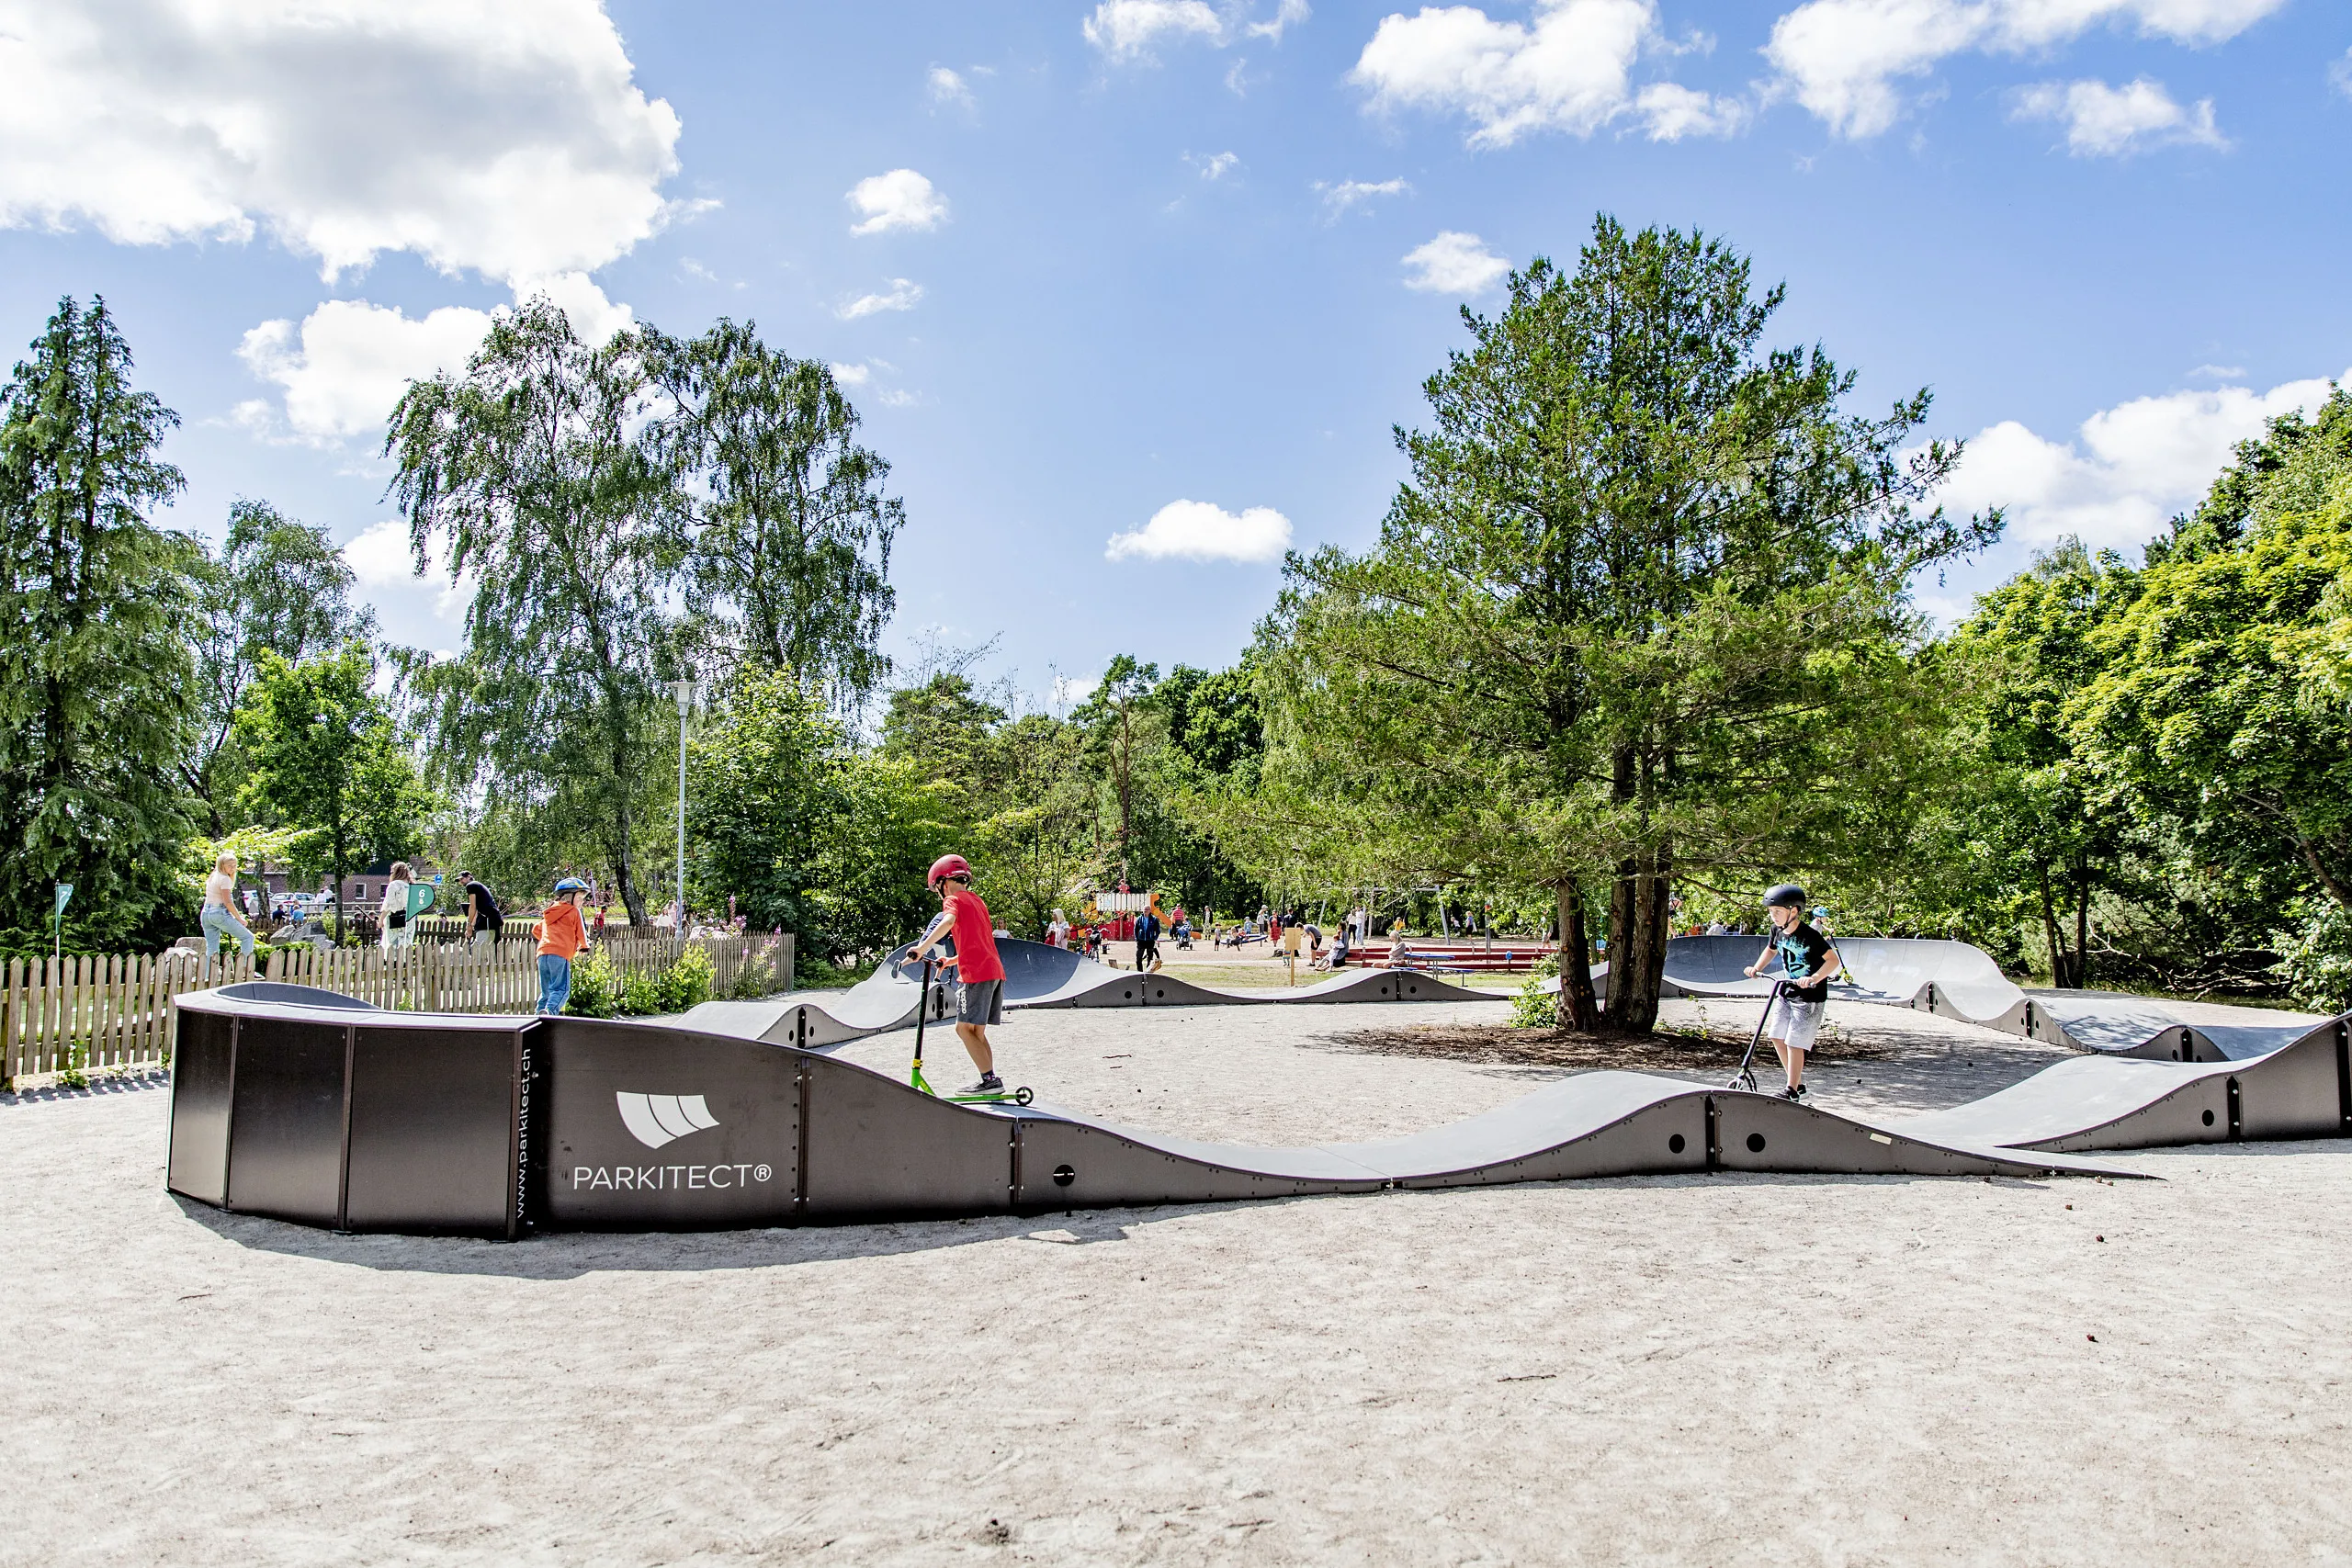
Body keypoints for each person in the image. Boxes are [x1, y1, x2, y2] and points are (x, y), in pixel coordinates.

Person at [907, 853, 1010, 1097]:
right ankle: (991, 1079)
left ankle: (989, 1081)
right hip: (994, 971)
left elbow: (948, 920)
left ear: (943, 882)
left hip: (975, 975)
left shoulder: (952, 900)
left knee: (963, 1029)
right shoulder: (977, 901)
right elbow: (980, 943)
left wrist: (922, 949)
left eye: (937, 889)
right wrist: (951, 960)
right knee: (976, 1032)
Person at [1743, 883, 1843, 1102]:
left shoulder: (1810, 936)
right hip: (1786, 990)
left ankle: (1792, 1089)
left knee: (1794, 1042)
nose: (1773, 916)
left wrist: (1814, 978)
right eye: (1771, 912)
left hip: (1809, 996)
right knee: (1776, 1036)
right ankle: (1796, 1082)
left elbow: (1832, 961)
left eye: (1778, 912)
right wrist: (1757, 968)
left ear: (1794, 911)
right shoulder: (1776, 931)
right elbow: (1771, 950)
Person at [537, 878, 591, 1015]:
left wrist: (549, 941)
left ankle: (538, 1015)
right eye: (580, 898)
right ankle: (550, 1012)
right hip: (560, 955)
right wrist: (584, 947)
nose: (582, 902)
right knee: (561, 990)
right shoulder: (573, 912)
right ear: (570, 897)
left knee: (547, 991)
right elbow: (581, 932)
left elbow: (536, 930)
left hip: (542, 954)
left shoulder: (550, 912)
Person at [200, 852, 256, 964]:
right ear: (222, 865)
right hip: (219, 913)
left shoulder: (213, 876)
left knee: (212, 949)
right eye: (230, 866)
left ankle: (207, 978)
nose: (233, 868)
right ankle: (244, 970)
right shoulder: (225, 879)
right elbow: (228, 902)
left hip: (206, 913)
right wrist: (239, 918)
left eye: (235, 865)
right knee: (248, 938)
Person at [456, 869, 503, 953]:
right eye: (459, 880)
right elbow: (477, 910)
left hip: (487, 920)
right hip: (493, 918)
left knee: (478, 949)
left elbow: (472, 906)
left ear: (469, 877)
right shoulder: (479, 885)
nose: (461, 882)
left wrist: (469, 924)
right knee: (491, 949)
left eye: (462, 879)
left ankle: (477, 965)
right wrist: (471, 926)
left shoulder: (471, 885)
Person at [379, 862, 416, 953]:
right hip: (409, 919)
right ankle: (403, 961)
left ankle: (393, 962)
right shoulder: (411, 886)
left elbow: (388, 905)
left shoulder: (394, 885)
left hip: (394, 918)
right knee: (406, 942)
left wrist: (381, 919)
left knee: (393, 942)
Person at [1280, 909, 1306, 986]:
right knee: (1293, 944)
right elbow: (1295, 925)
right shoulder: (1294, 917)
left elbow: (1283, 924)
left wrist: (1283, 931)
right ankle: (1294, 953)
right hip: (1293, 931)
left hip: (1287, 931)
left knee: (1288, 944)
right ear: (1292, 911)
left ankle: (1288, 956)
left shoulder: (1285, 917)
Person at [1134, 904, 1163, 973]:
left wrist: (1155, 938)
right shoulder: (1139, 919)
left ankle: (1148, 972)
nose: (1145, 911)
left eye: (1147, 909)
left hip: (1150, 940)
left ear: (1150, 911)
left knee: (1150, 958)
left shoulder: (1154, 919)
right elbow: (1136, 929)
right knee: (1138, 958)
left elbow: (1158, 930)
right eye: (1144, 909)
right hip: (1141, 940)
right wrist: (1136, 938)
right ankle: (1139, 972)